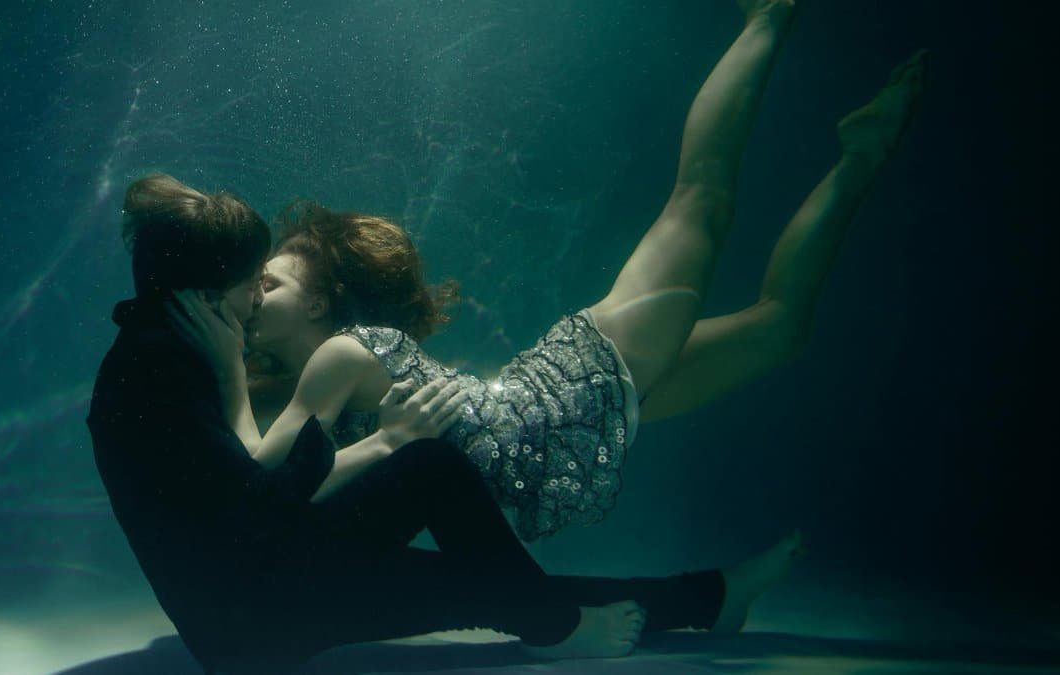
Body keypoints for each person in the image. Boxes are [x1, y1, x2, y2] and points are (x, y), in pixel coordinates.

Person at [173, 0, 929, 540]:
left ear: (323, 301)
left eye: (268, 282)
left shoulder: (338, 360)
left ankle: (766, 18)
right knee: (782, 327)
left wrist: (227, 368)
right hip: (571, 422)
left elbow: (262, 481)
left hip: (571, 391)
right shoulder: (328, 387)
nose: (250, 294)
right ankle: (862, 154)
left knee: (700, 199)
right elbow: (288, 494)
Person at [90, 172, 803, 673]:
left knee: (481, 570)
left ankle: (703, 599)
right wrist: (387, 441)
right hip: (256, 624)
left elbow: (247, 501)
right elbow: (257, 501)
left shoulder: (164, 348)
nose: (254, 298)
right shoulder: (171, 370)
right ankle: (584, 622)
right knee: (467, 545)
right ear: (207, 289)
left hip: (257, 595)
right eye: (251, 280)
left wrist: (364, 438)